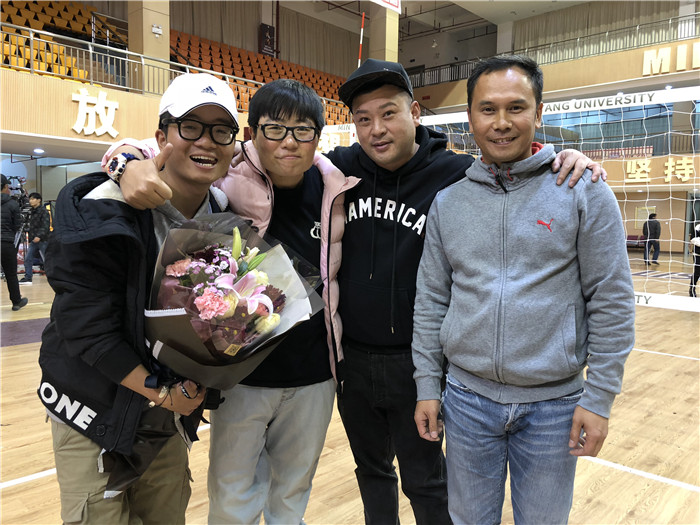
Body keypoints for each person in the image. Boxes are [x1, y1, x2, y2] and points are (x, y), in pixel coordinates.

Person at [104, 59, 605, 525]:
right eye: (364, 119)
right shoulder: (317, 171)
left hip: (398, 364)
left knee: (421, 480)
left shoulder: (433, 174)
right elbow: (178, 150)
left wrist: (559, 157)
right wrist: (125, 161)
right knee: (351, 476)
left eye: (389, 114)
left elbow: (506, 161)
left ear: (414, 113)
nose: (377, 129)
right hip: (319, 368)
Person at [103, 79, 359, 525]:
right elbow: (146, 149)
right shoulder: (226, 172)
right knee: (232, 493)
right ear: (252, 134)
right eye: (275, 129)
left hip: (315, 373)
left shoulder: (334, 185)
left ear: (318, 137)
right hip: (240, 376)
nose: (289, 142)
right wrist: (125, 165)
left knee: (293, 490)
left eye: (303, 130)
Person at [411, 55, 636, 524]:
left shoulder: (583, 189)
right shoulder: (449, 203)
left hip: (554, 406)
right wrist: (428, 384)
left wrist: (599, 398)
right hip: (466, 401)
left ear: (538, 111)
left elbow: (611, 300)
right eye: (487, 109)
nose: (501, 122)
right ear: (469, 116)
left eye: (516, 107)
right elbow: (431, 300)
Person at [37, 72, 239, 524]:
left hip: (166, 414)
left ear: (233, 145)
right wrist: (162, 392)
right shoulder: (102, 204)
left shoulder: (223, 216)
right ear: (161, 137)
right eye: (191, 126)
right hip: (92, 403)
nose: (206, 141)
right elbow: (85, 329)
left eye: (221, 130)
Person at [1, 174, 28, 311]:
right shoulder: (13, 204)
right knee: (11, 274)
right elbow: (17, 226)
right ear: (6, 186)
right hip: (7, 243)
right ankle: (16, 302)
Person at [19, 192, 50, 284]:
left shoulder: (44, 211)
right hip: (33, 240)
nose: (30, 201)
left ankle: (53, 276)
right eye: (30, 199)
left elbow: (45, 226)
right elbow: (29, 225)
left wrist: (39, 236)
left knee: (47, 259)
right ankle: (28, 277)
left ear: (39, 200)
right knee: (28, 258)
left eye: (33, 199)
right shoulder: (31, 212)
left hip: (43, 239)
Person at [690, 223, 700, 297]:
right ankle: (692, 288)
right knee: (697, 272)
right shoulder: (697, 227)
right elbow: (693, 239)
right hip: (698, 255)